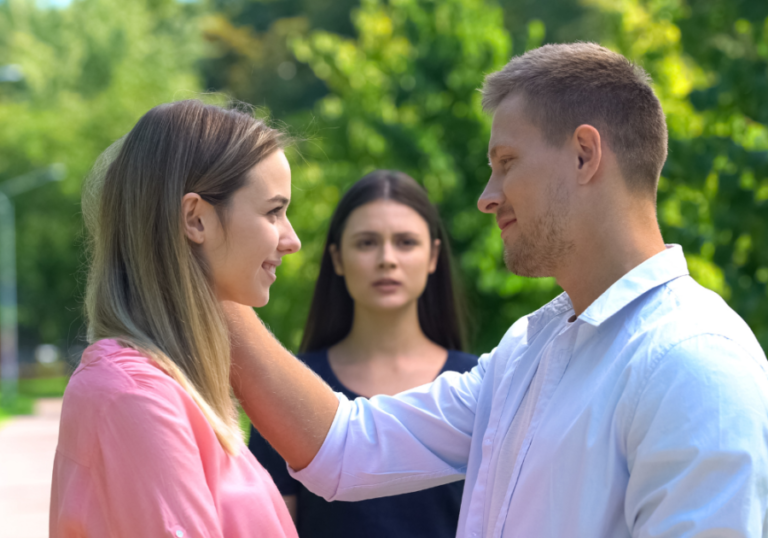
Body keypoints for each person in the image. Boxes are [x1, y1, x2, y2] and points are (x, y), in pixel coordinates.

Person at [224, 42, 768, 538]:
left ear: (584, 154)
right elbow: (347, 447)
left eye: (506, 163)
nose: (488, 196)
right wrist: (205, 277)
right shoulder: (528, 351)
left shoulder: (694, 362)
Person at [50, 100, 302, 537]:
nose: (291, 239)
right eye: (273, 212)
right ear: (195, 218)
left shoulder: (167, 385)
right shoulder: (135, 394)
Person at [248, 170, 478, 538]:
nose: (387, 259)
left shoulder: (481, 384)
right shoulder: (285, 388)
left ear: (433, 256)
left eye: (405, 242)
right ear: (337, 258)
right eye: (367, 243)